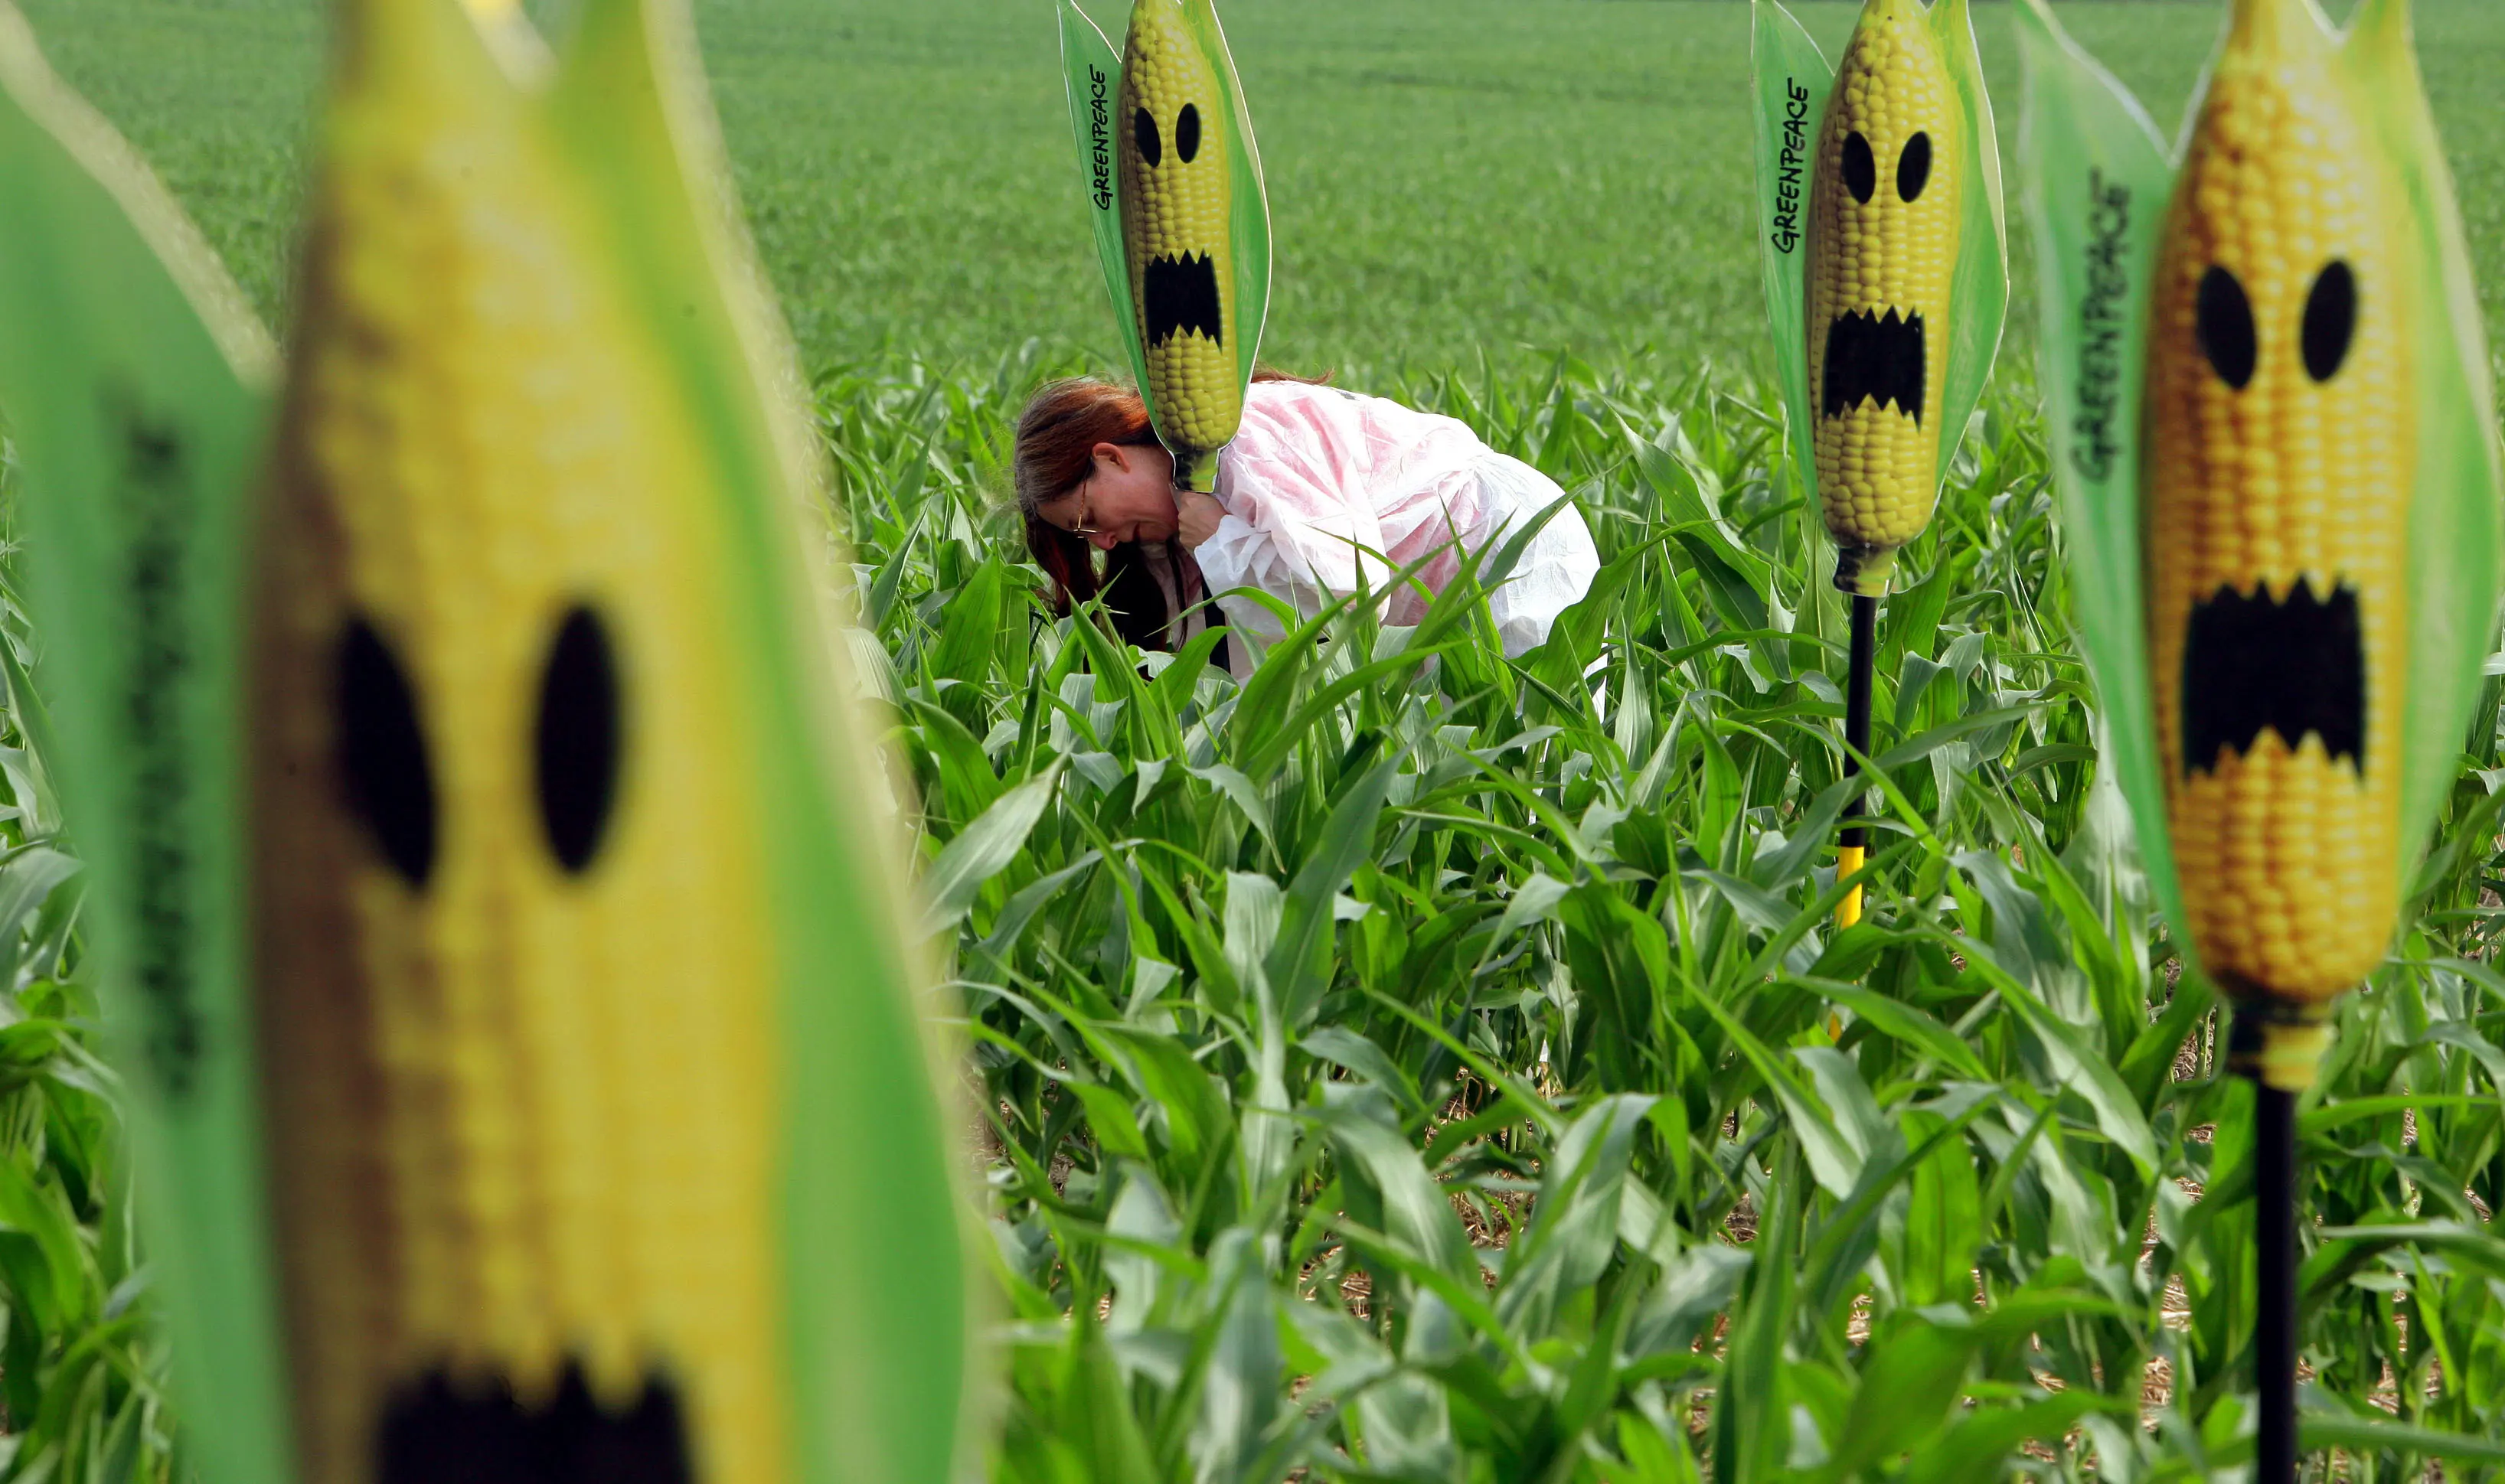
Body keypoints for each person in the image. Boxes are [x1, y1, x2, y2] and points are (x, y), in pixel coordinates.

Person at [1014, 372, 1601, 675]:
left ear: (1110, 456)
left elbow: (1348, 589)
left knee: (1536, 755)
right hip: (1433, 598)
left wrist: (1223, 539)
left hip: (1506, 544)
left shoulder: (1240, 438)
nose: (1105, 542)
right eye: (1086, 539)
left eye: (1088, 520)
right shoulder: (1180, 524)